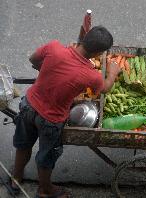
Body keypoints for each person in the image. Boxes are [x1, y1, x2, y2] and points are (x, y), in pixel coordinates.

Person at [10, 26, 120, 198]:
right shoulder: (92, 76)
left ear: (84, 38)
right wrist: (112, 74)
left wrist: (48, 73)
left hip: (28, 105)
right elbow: (104, 89)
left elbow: (33, 59)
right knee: (46, 157)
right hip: (51, 120)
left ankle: (15, 179)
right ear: (98, 53)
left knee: (23, 145)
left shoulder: (54, 47)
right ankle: (45, 190)